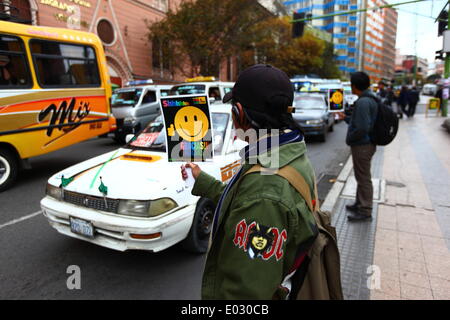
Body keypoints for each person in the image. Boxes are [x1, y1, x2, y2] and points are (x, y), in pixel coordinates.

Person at [181, 64, 319, 299]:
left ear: (239, 113)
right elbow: (242, 199)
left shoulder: (266, 190)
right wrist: (201, 179)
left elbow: (245, 294)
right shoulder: (286, 153)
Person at [345, 71, 378, 221]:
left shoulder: (363, 102)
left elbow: (362, 127)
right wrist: (346, 118)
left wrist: (350, 139)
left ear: (354, 86)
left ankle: (365, 210)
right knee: (361, 175)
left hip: (362, 145)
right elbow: (359, 122)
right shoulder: (368, 98)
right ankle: (359, 202)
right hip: (366, 143)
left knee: (363, 177)